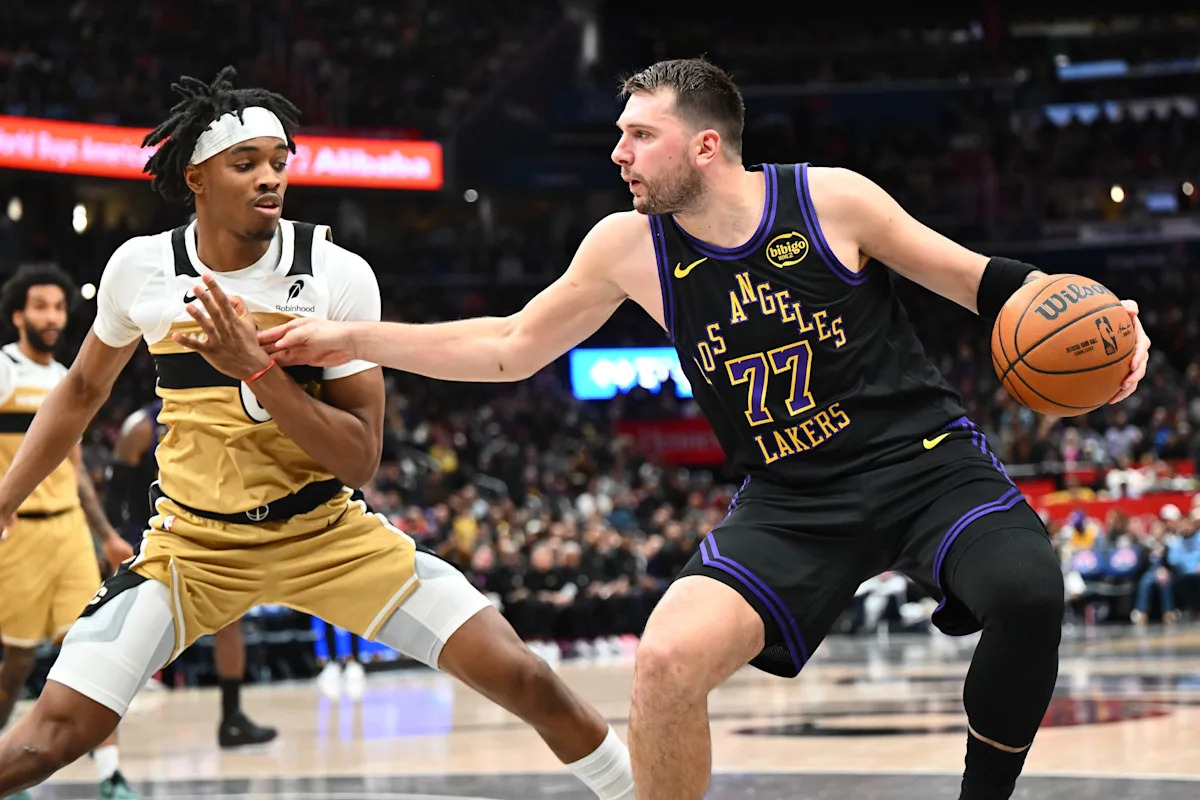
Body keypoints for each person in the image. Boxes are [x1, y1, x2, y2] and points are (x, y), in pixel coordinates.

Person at [260, 57, 1153, 800]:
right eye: (620, 135)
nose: (619, 154)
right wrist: (353, 338)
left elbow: (980, 281)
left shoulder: (831, 201)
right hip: (793, 497)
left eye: (639, 135)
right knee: (665, 662)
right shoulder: (627, 247)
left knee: (1029, 594)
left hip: (923, 464)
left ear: (706, 145)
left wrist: (1110, 319)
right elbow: (509, 347)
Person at [0, 67, 634, 800]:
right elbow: (81, 392)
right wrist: (6, 498)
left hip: (328, 534)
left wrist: (257, 370)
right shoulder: (141, 268)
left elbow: (360, 458)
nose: (270, 177)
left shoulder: (336, 273)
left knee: (527, 678)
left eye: (279, 161)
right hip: (194, 547)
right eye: (245, 164)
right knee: (52, 736)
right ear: (196, 178)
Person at [0, 265, 140, 799]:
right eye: (41, 307)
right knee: (15, 664)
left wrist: (105, 536)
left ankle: (111, 776)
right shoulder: (4, 370)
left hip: (71, 536)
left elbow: (76, 471)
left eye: (59, 307)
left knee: (94, 655)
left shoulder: (67, 379)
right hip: (18, 538)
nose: (52, 317)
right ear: (18, 315)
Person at [107, 402, 278, 747]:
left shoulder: (217, 412)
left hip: (206, 531)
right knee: (131, 628)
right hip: (155, 538)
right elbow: (115, 499)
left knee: (231, 618)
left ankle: (232, 717)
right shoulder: (140, 428)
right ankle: (104, 722)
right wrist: (114, 542)